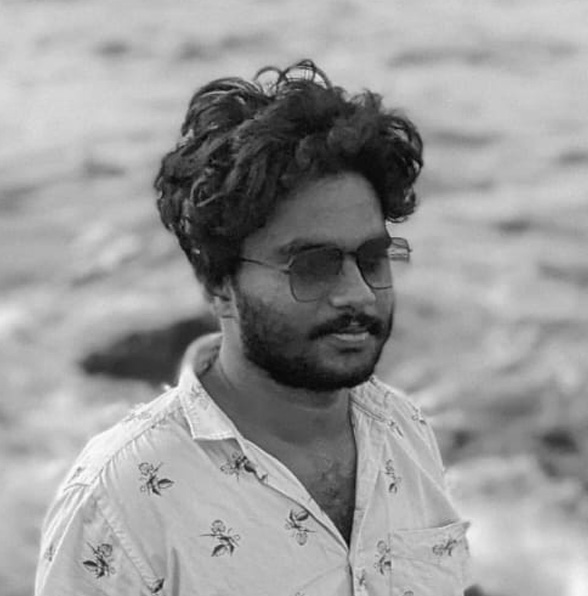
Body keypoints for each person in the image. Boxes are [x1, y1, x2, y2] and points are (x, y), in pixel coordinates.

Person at [35, 59, 473, 595]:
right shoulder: (120, 504)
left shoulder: (404, 432)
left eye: (372, 259)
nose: (358, 293)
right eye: (312, 265)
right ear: (219, 281)